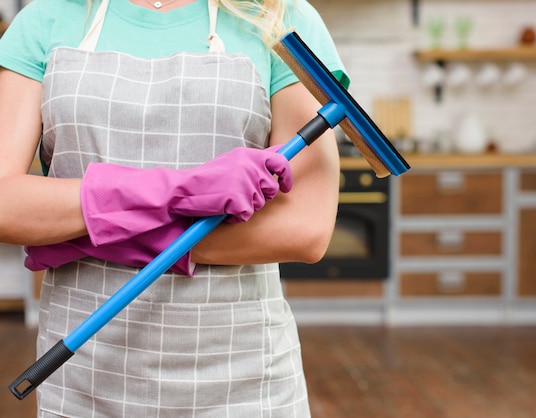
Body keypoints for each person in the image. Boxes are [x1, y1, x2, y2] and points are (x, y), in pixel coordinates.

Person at [0, 0, 348, 416]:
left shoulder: (281, 16)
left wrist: (85, 231)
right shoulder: (47, 18)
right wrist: (181, 190)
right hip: (84, 377)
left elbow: (304, 228)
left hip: (246, 377)